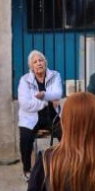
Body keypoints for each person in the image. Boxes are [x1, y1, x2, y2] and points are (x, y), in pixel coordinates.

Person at [17, 50, 64, 181]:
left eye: (41, 60)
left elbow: (58, 93)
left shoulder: (55, 75)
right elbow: (25, 104)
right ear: (31, 66)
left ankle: (67, 165)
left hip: (52, 115)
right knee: (25, 138)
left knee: (66, 134)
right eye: (35, 62)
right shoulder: (25, 80)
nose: (39, 63)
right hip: (30, 117)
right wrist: (46, 101)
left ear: (45, 62)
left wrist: (43, 95)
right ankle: (27, 170)